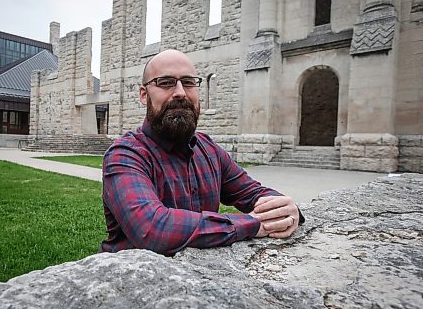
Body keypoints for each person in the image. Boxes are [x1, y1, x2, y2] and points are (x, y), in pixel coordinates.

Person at [99, 49, 304, 255]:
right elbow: (153, 229)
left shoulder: (209, 149)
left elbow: (254, 194)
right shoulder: (125, 155)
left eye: (188, 83)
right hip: (133, 280)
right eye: (166, 83)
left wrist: (288, 210)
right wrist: (251, 223)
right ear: (144, 95)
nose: (180, 92)